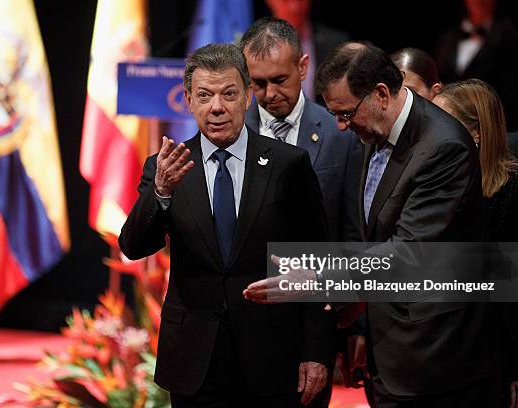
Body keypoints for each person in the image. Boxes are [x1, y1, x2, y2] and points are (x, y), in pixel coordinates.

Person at [119, 43, 335, 407]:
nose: (217, 107)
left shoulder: (288, 164)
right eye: (204, 95)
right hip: (194, 361)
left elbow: (315, 261)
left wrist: (316, 351)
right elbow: (134, 245)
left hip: (272, 357)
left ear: (248, 96)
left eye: (228, 94)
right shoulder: (167, 167)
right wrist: (160, 193)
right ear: (188, 99)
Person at [311, 42, 497, 406]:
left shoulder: (444, 147)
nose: (341, 126)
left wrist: (320, 278)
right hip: (390, 356)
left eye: (346, 113)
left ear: (381, 93)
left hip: (438, 364)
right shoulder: (375, 130)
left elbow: (407, 252)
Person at [432, 79, 518, 408]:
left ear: (476, 133)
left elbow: (509, 296)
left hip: (490, 360)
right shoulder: (438, 186)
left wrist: (512, 369)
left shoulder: (510, 192)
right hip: (441, 354)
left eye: (442, 125)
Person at [240, 17, 362, 243]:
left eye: (279, 80)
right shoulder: (232, 133)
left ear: (303, 67)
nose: (270, 94)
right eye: (259, 83)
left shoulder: (341, 135)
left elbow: (352, 228)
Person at [435, 0, 518, 131]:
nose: (480, 2)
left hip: (490, 123)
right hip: (448, 122)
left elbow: (511, 88)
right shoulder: (447, 38)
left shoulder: (508, 35)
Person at [265, 0, 349, 101]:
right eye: (286, 1)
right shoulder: (252, 48)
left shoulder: (336, 46)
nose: (295, 7)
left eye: (300, 0)